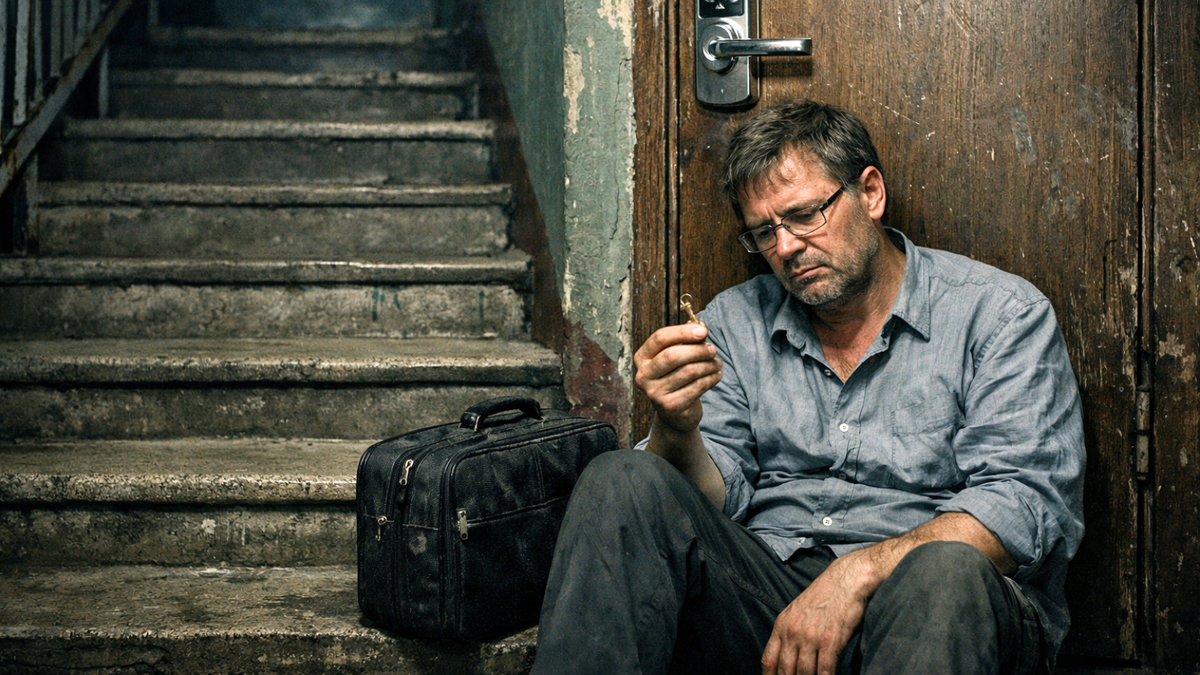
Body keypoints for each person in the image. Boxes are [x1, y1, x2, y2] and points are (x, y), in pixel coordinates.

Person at [530, 99, 1085, 675]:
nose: (787, 247)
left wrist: (857, 573)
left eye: (803, 215)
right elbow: (712, 497)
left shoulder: (999, 316)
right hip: (772, 597)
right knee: (621, 477)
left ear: (870, 193)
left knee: (945, 571)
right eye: (764, 232)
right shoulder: (734, 323)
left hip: (932, 606)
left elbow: (1024, 503)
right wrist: (675, 426)